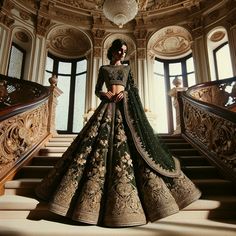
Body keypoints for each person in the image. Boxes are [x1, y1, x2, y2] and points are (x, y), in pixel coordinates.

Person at [35, 39, 201, 227]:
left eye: (124, 51)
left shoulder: (128, 69)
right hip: (107, 107)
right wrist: (103, 94)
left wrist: (126, 94)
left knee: (135, 147)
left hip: (125, 110)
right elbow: (98, 89)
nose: (122, 53)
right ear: (113, 51)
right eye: (119, 50)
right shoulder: (104, 69)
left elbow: (134, 90)